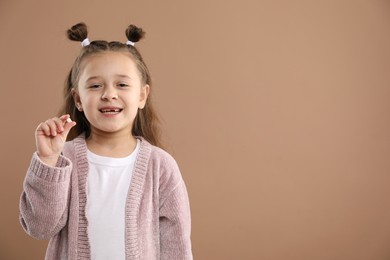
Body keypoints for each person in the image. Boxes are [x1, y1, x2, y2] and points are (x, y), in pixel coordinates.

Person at [19, 22, 192, 260]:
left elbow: (177, 246)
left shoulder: (161, 166)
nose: (109, 94)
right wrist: (48, 161)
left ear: (142, 95)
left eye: (122, 84)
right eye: (95, 85)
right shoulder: (62, 161)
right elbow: (39, 227)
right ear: (78, 99)